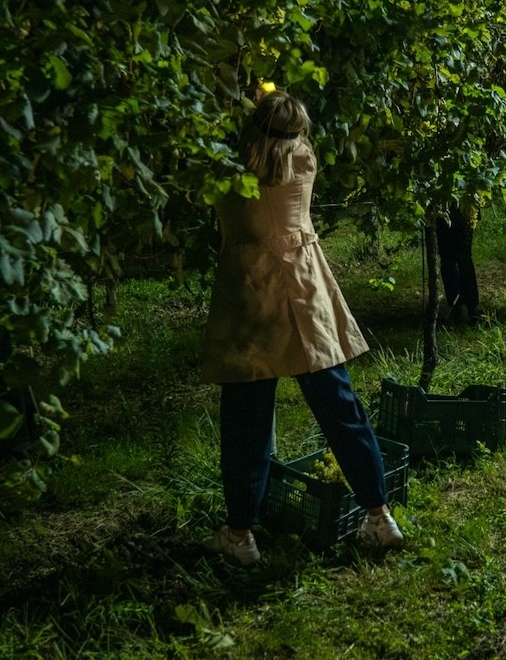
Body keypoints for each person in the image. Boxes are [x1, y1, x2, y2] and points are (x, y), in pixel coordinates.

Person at [200, 91, 404, 566]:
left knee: (246, 416)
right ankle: (378, 515)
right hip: (305, 292)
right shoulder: (304, 160)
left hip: (253, 296)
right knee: (339, 406)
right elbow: (283, 150)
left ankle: (241, 534)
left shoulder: (231, 172)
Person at [436, 205, 481, 326]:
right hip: (446, 215)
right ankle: (460, 305)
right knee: (451, 260)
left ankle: (468, 305)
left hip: (461, 213)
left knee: (460, 260)